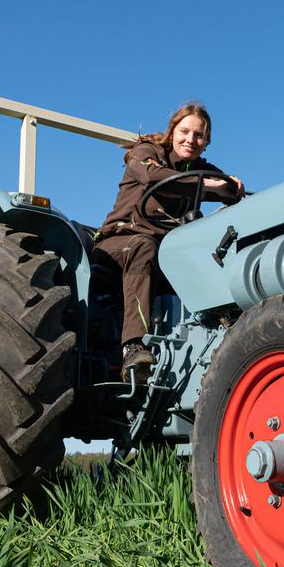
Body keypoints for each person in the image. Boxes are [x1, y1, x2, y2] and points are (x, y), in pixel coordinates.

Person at [93, 102, 244, 382]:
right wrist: (209, 184)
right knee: (143, 247)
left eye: (199, 135)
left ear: (207, 141)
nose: (191, 140)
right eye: (185, 131)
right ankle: (133, 347)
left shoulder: (199, 168)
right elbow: (152, 176)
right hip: (119, 243)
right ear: (172, 131)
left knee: (206, 259)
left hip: (164, 251)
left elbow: (228, 187)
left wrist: (233, 188)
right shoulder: (146, 153)